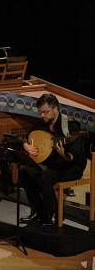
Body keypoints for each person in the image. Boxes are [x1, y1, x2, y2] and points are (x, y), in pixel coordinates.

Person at [19, 94, 87, 226]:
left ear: (55, 108)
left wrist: (64, 154)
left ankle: (55, 215)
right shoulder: (41, 124)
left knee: (44, 178)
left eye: (46, 112)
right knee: (24, 171)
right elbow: (26, 137)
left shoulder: (70, 126)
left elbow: (76, 156)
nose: (42, 115)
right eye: (40, 112)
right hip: (50, 165)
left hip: (70, 167)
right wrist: (26, 145)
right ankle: (38, 212)